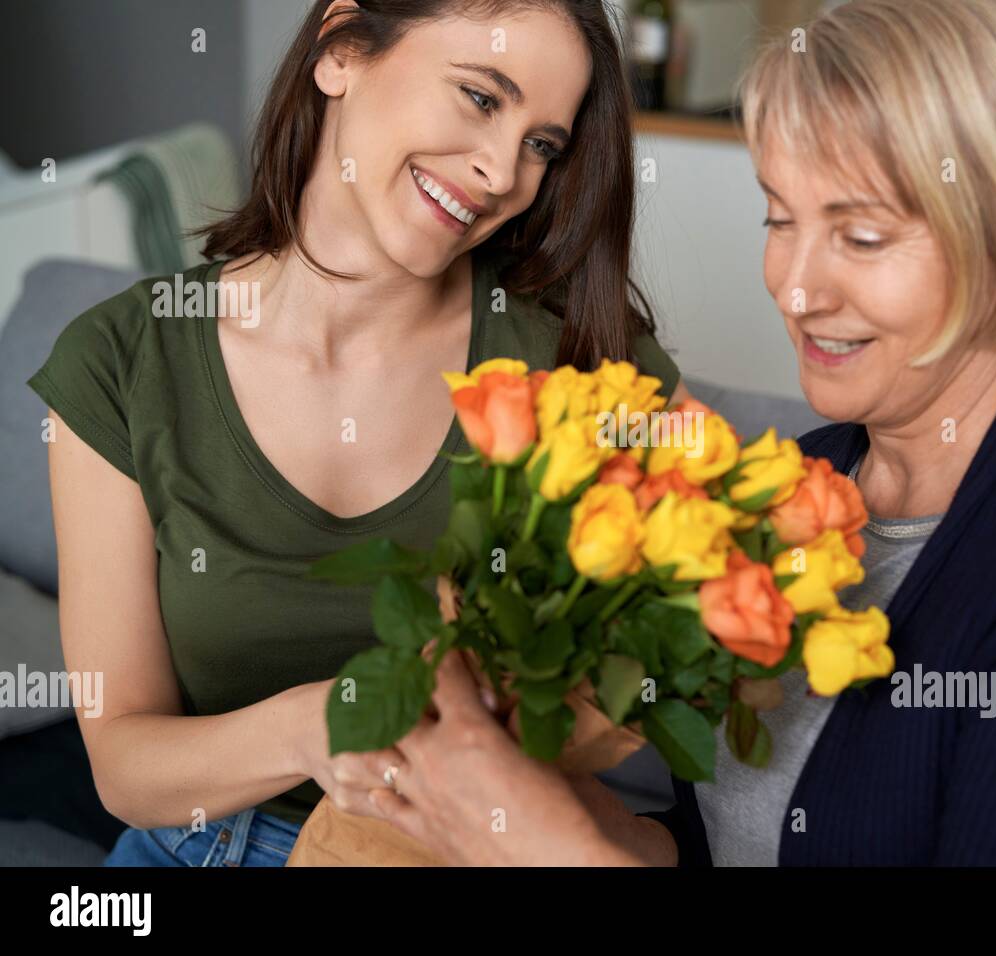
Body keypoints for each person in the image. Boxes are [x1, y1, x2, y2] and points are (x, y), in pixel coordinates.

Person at [364, 0, 996, 866]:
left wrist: (549, 847)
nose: (796, 289)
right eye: (779, 217)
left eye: (863, 237)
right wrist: (510, 799)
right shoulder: (794, 489)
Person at [28, 0, 683, 867]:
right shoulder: (120, 362)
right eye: (483, 99)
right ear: (341, 50)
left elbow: (739, 593)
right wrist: (319, 726)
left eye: (542, 145)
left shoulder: (581, 360)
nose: (500, 172)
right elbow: (124, 766)